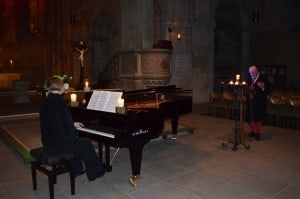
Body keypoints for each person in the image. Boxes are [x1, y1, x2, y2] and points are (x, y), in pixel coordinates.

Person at [39, 76, 105, 181]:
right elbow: (70, 132)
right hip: (57, 145)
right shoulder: (60, 103)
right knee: (85, 144)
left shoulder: (46, 102)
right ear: (60, 87)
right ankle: (96, 172)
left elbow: (54, 122)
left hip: (48, 142)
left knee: (77, 143)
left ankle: (77, 169)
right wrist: (73, 131)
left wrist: (72, 124)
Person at [245, 65, 270, 140]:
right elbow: (246, 88)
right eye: (250, 73)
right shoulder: (249, 78)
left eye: (252, 73)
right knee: (251, 116)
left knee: (258, 117)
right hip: (250, 101)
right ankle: (252, 131)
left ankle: (257, 133)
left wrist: (262, 87)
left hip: (259, 101)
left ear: (256, 71)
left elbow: (268, 90)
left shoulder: (263, 78)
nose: (251, 74)